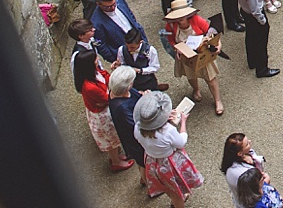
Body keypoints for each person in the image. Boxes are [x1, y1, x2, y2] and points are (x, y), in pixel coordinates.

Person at [133, 90, 203, 208]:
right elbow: (181, 142)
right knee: (177, 193)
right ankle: (177, 203)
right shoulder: (167, 130)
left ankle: (173, 199)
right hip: (169, 163)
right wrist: (183, 122)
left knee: (167, 187)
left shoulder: (137, 129)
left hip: (152, 161)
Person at [73, 49, 132, 172]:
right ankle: (116, 162)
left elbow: (105, 76)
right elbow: (107, 97)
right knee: (111, 139)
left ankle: (116, 157)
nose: (98, 60)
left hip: (104, 109)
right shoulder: (89, 86)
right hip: (102, 116)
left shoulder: (92, 74)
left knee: (113, 137)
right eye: (95, 59)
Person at [164, 0, 225, 115]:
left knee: (210, 78)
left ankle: (217, 100)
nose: (179, 19)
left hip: (202, 53)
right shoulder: (170, 26)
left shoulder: (197, 20)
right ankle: (196, 89)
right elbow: (171, 40)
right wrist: (177, 48)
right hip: (186, 55)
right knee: (191, 75)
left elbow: (212, 33)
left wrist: (218, 45)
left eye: (182, 16)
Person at [107, 66, 154, 195]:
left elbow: (136, 95)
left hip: (134, 136)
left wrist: (144, 95)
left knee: (142, 162)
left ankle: (144, 180)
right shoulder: (121, 107)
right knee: (143, 162)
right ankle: (150, 188)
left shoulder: (120, 92)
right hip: (134, 139)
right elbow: (135, 126)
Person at [222, 132, 269, 208]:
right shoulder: (242, 174)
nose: (250, 141)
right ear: (240, 153)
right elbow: (255, 191)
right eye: (247, 144)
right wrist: (266, 182)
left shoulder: (245, 154)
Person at [118, 28, 165, 92]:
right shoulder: (121, 50)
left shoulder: (150, 50)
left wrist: (141, 70)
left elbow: (155, 67)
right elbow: (122, 63)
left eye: (132, 47)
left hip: (148, 82)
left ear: (140, 42)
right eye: (127, 46)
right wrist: (119, 66)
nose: (129, 50)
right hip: (132, 83)